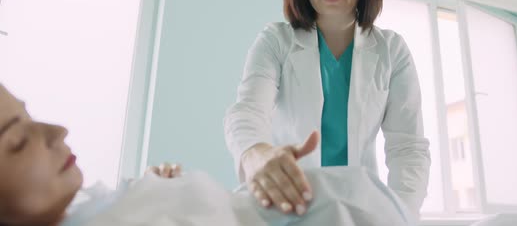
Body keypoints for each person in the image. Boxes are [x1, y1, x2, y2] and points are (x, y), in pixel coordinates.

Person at [224, 0, 431, 218]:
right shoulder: (275, 41)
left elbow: (408, 148)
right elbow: (248, 111)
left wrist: (398, 213)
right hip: (285, 205)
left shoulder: (392, 51)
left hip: (361, 211)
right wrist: (257, 154)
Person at [0, 84, 415, 225]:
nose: (58, 131)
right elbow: (246, 109)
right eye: (16, 141)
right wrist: (254, 153)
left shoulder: (91, 204)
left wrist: (151, 186)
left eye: (31, 116)